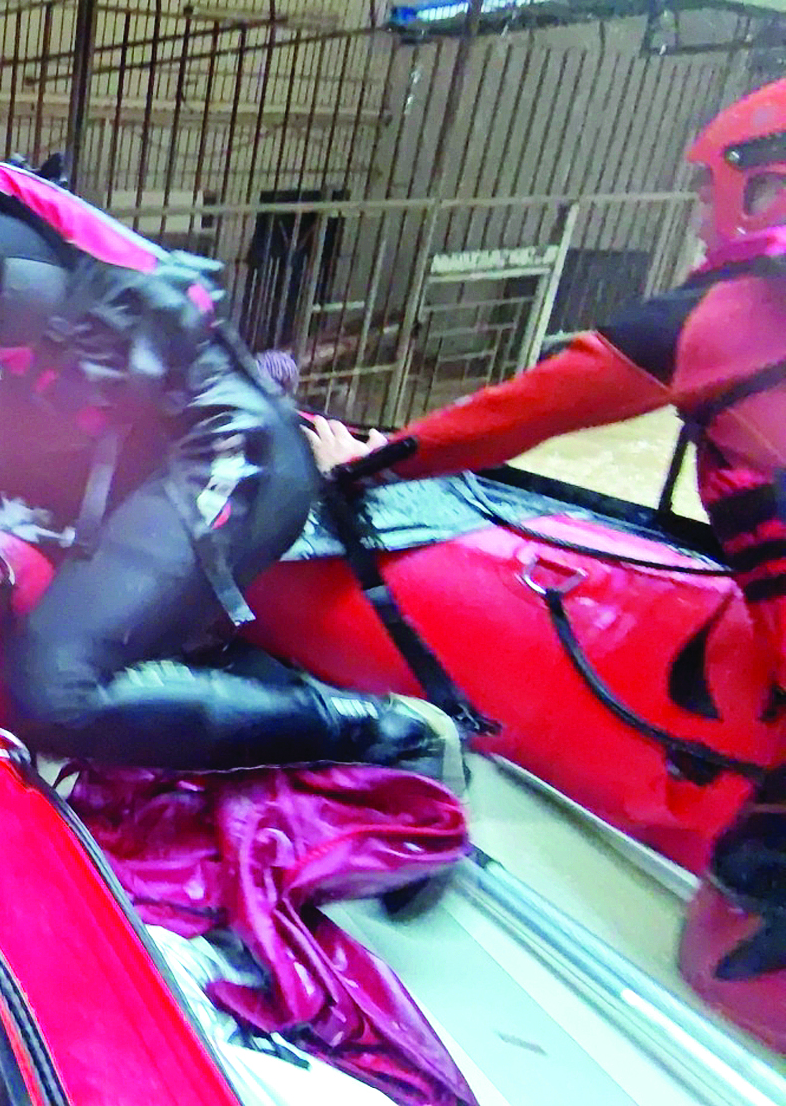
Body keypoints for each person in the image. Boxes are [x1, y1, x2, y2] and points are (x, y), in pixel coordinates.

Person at [0, 100, 463, 781]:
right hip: (170, 456)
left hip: (224, 450)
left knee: (48, 693)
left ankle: (389, 734)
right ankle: (235, 674)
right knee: (79, 635)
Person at [304, 78, 786, 1049]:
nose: (697, 215)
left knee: (736, 928)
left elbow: (514, 416)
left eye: (706, 192)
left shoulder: (724, 316)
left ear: (760, 185)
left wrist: (367, 459)